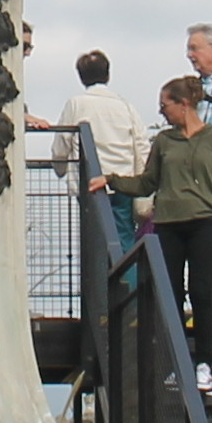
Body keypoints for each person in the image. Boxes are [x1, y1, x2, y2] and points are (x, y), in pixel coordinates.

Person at [110, 76, 212, 346]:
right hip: (169, 223)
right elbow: (147, 182)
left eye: (164, 105)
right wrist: (112, 181)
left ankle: (204, 361)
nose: (161, 111)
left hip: (205, 222)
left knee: (201, 292)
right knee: (170, 293)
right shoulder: (164, 141)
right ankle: (175, 355)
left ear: (183, 104)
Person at [68, 50, 149, 263]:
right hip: (123, 181)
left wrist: (60, 167)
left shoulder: (77, 104)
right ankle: (128, 291)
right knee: (124, 239)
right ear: (108, 74)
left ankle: (100, 290)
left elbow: (62, 140)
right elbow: (141, 143)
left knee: (94, 243)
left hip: (89, 182)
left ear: (81, 76)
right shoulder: (125, 106)